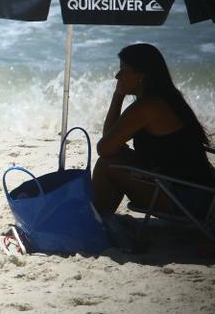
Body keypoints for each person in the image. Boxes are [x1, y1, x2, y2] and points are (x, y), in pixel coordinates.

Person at [92, 44, 214, 217]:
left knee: (107, 165)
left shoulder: (147, 107)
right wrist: (118, 95)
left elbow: (103, 148)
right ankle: (101, 219)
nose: (117, 76)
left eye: (124, 70)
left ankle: (96, 221)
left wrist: (118, 96)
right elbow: (109, 142)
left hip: (189, 200)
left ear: (142, 75)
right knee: (116, 157)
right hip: (201, 193)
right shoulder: (166, 98)